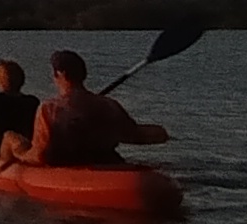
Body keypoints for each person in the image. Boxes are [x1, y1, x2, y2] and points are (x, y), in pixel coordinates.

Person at [22, 48, 172, 169]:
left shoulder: (49, 109)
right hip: (110, 164)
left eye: (53, 73)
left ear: (60, 74)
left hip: (70, 168)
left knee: (14, 141)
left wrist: (20, 153)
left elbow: (40, 156)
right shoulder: (109, 105)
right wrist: (161, 132)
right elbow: (134, 135)